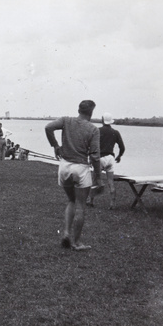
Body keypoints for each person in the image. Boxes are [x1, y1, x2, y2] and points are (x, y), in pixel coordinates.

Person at [45, 100, 103, 251]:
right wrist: (99, 177)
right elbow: (95, 156)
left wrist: (55, 146)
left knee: (71, 200)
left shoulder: (66, 120)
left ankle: (66, 233)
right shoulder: (93, 129)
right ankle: (76, 243)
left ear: (79, 109)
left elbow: (48, 127)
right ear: (91, 112)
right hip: (80, 168)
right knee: (81, 206)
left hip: (64, 167)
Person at [89, 112, 125, 209]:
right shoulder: (115, 132)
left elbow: (91, 146)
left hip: (99, 158)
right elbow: (122, 147)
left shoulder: (97, 130)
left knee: (95, 180)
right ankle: (112, 204)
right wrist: (119, 156)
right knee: (110, 181)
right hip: (110, 158)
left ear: (102, 120)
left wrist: (90, 157)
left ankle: (91, 201)